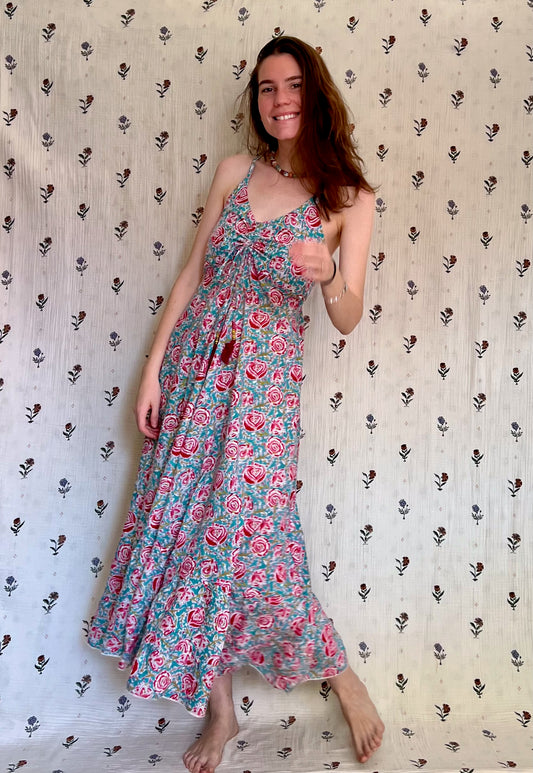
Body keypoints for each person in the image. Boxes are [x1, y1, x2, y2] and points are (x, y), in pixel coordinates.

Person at [88, 36, 384, 772]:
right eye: (266, 87)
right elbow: (192, 275)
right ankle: (219, 712)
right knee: (190, 535)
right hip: (195, 374)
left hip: (261, 393)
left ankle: (339, 673)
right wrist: (153, 372)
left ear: (316, 94)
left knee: (254, 539)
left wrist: (327, 275)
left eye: (293, 84)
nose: (280, 99)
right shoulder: (233, 172)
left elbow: (349, 316)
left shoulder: (348, 198)